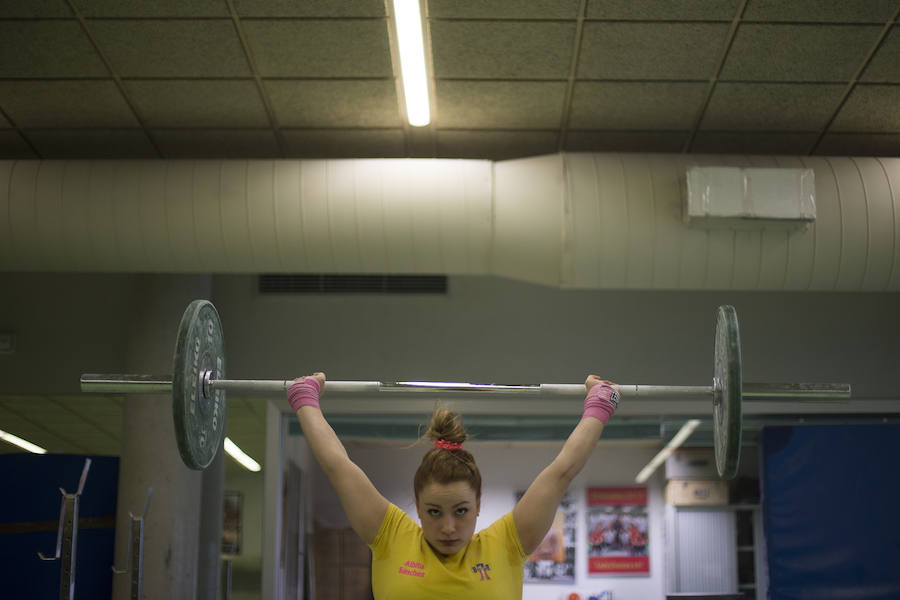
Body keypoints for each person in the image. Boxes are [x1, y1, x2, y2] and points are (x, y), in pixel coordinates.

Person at [288, 373, 618, 599]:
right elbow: (338, 467)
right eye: (434, 512)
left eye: (461, 511)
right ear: (417, 506)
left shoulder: (507, 542)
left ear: (478, 505)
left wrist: (600, 404)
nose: (448, 527)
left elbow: (562, 471)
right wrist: (304, 398)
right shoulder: (390, 536)